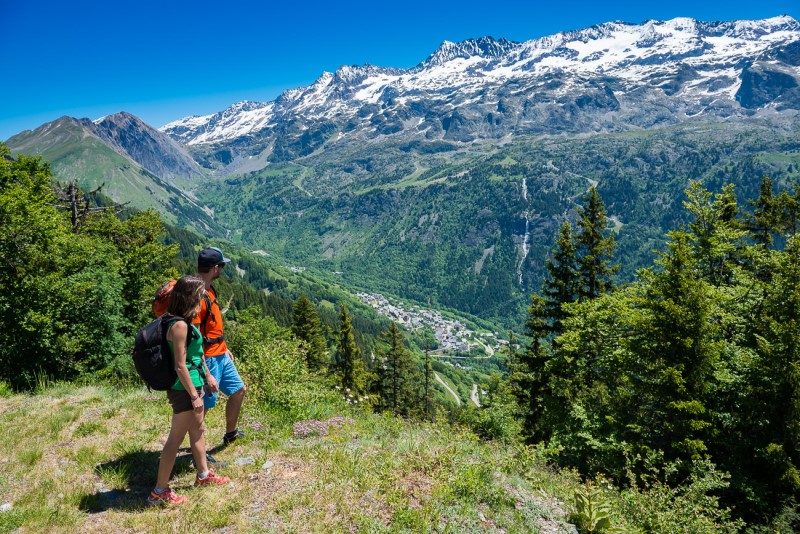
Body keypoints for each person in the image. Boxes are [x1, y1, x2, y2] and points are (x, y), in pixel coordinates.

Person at [149, 275, 230, 506]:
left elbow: (196, 355)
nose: (201, 300)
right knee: (175, 439)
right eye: (199, 296)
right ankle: (159, 491)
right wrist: (194, 396)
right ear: (189, 297)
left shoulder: (185, 321)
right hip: (184, 388)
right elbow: (180, 365)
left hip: (194, 384)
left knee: (198, 430)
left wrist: (207, 376)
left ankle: (203, 475)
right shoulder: (179, 326)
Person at [196, 247, 247, 447]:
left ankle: (231, 433)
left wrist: (224, 347)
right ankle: (197, 452)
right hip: (208, 359)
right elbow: (194, 339)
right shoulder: (198, 297)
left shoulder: (209, 290)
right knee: (203, 406)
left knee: (238, 390)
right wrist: (206, 372)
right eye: (222, 266)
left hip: (220, 353)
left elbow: (212, 327)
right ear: (215, 268)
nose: (222, 269)